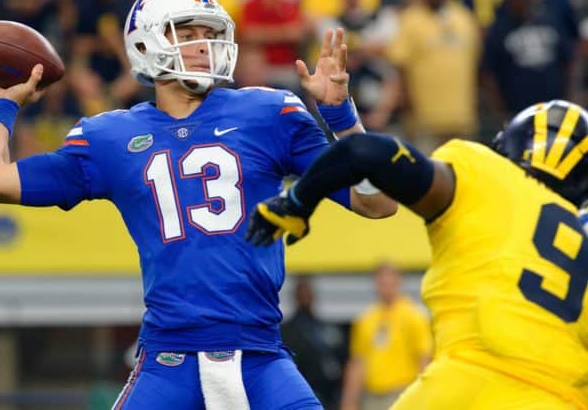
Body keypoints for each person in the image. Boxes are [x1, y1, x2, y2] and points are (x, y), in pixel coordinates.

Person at [0, 0, 397, 409]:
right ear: (144, 45)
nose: (202, 46)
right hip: (169, 359)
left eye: (209, 35)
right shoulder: (110, 136)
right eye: (187, 35)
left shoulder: (269, 113)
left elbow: (378, 203)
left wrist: (342, 117)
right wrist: (4, 101)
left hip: (261, 355)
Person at [247, 99, 588, 408]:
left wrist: (296, 201)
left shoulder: (485, 171)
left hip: (469, 381)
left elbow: (364, 153)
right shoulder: (581, 239)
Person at [339, 263, 432, 410]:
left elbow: (423, 359)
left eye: (389, 282)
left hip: (402, 392)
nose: (385, 287)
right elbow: (358, 362)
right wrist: (349, 401)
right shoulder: (366, 318)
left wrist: (424, 397)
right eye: (381, 283)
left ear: (399, 282)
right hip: (372, 396)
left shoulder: (414, 316)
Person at [280, 277, 346, 408]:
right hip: (299, 395)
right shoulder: (285, 331)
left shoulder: (325, 327)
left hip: (328, 395)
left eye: (308, 293)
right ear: (295, 297)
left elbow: (342, 360)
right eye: (302, 293)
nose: (305, 297)